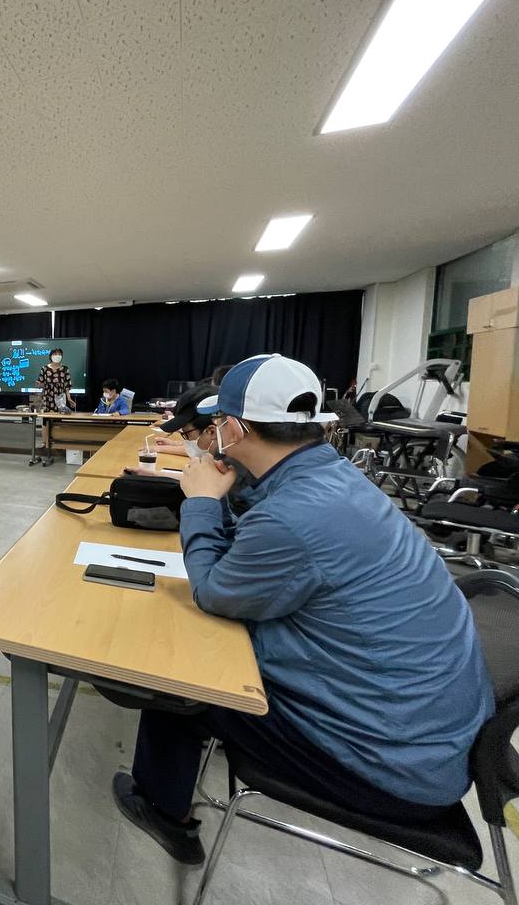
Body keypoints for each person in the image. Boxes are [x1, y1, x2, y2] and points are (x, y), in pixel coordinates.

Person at [112, 354, 493, 866]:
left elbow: (213, 590)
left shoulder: (293, 517)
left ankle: (163, 812)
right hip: (427, 738)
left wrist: (202, 501)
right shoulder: (335, 481)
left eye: (216, 424)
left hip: (386, 766)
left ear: (232, 428)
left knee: (181, 679)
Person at [33, 348, 73, 412]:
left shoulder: (65, 369)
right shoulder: (44, 368)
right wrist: (39, 385)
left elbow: (67, 385)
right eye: (55, 354)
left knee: (59, 418)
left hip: (60, 398)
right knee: (47, 418)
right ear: (50, 356)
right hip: (47, 397)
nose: (57, 356)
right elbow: (41, 384)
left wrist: (69, 398)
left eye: (59, 354)